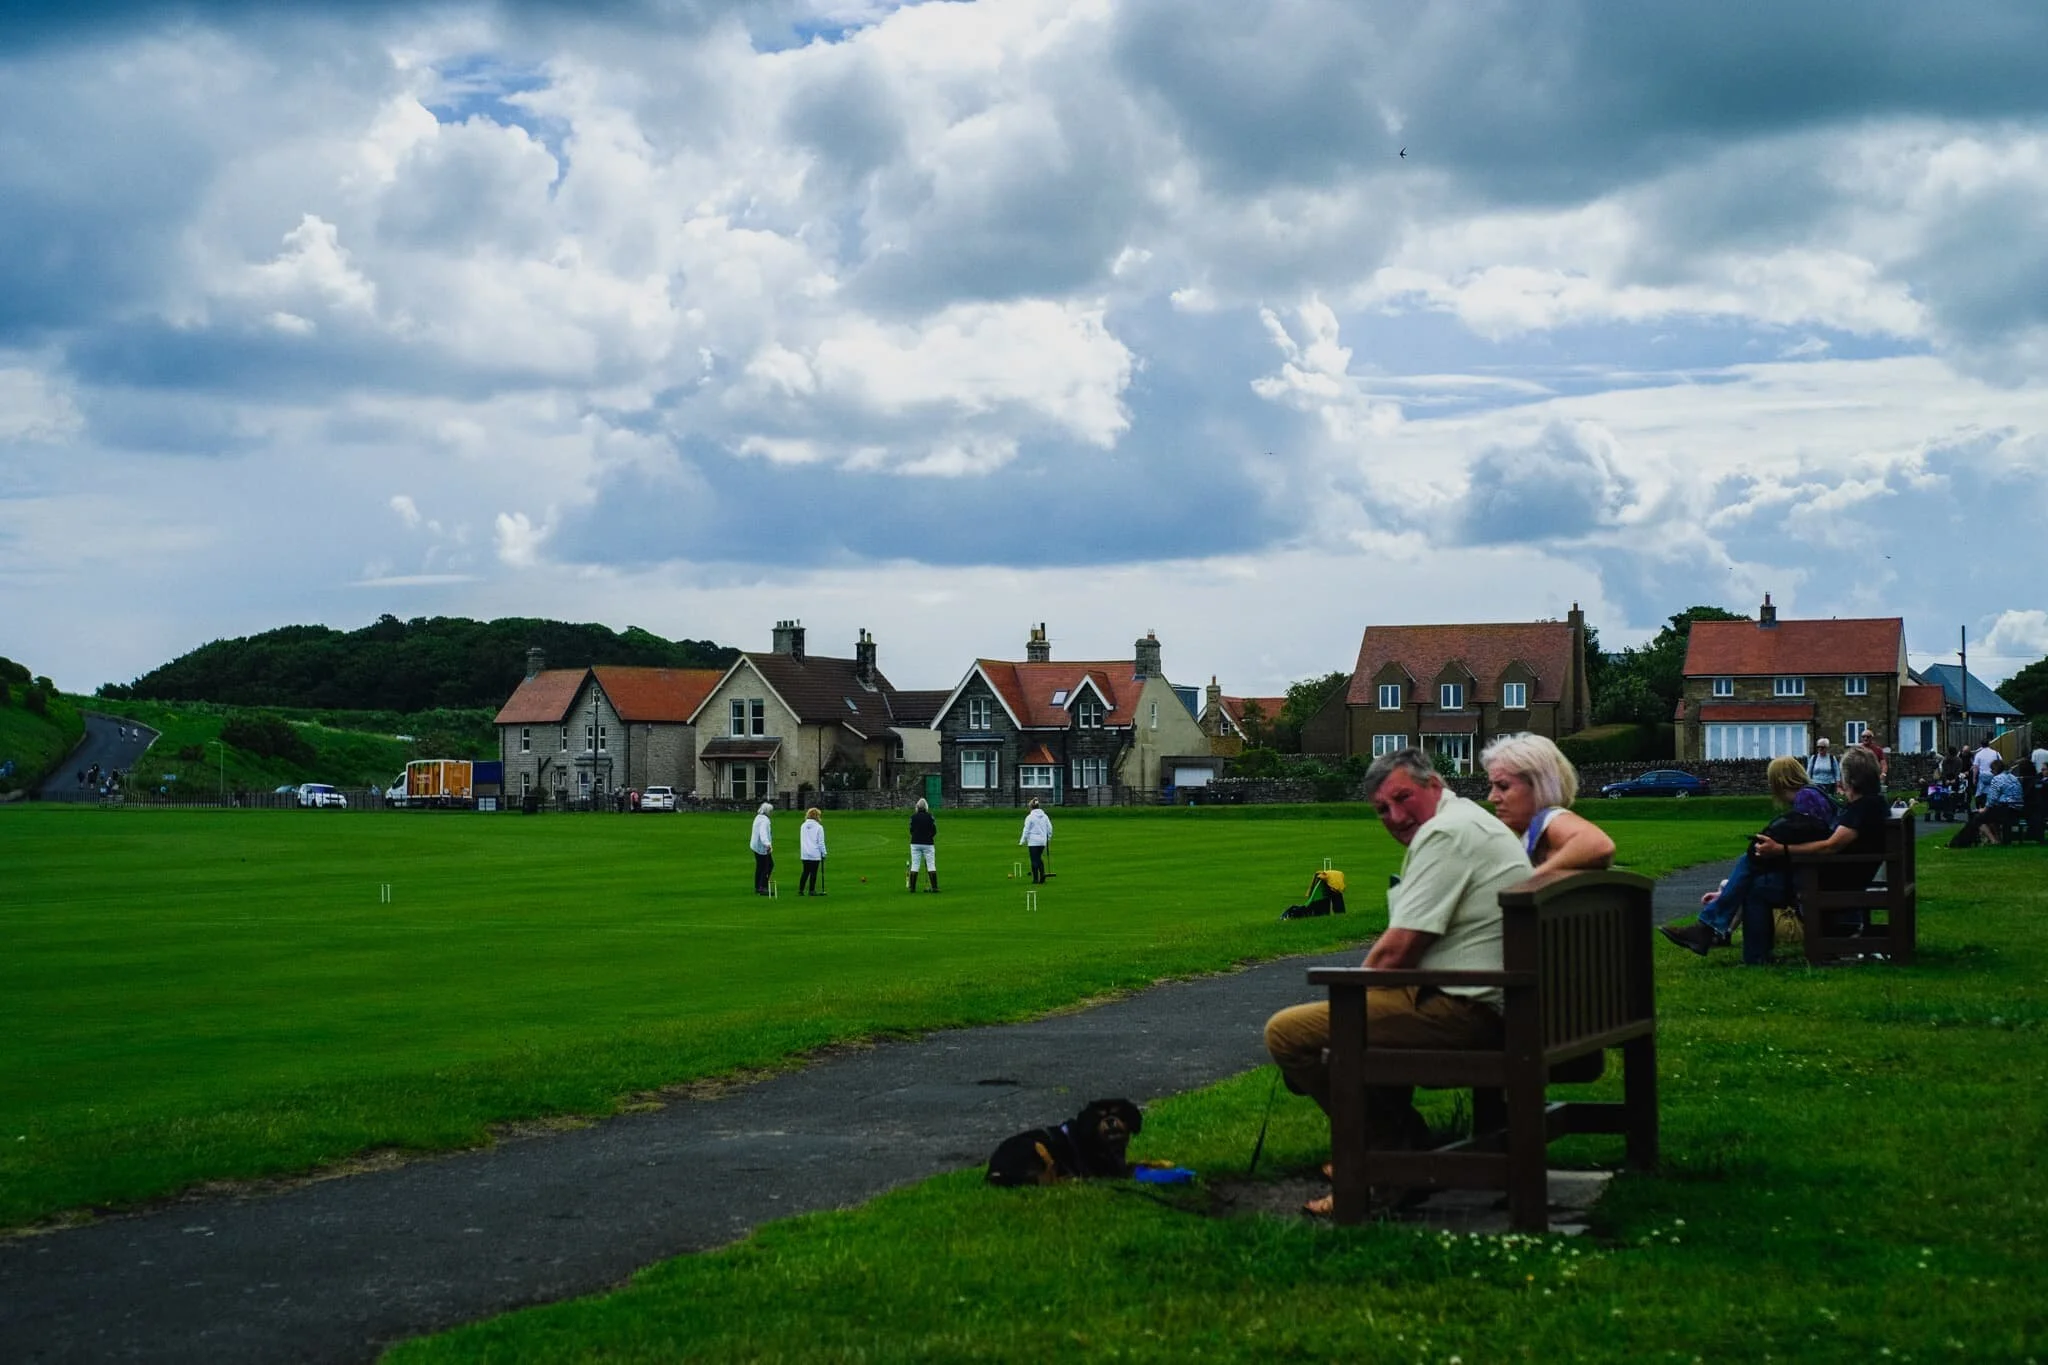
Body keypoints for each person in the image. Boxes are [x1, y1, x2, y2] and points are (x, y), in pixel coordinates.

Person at [1264, 747, 1531, 1216]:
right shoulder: (1465, 819)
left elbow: (1398, 948)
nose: (1395, 816)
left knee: (1288, 1034)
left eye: (1403, 797)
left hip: (1476, 1011)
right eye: (1381, 809)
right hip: (1501, 999)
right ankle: (1397, 1155)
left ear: (1434, 786)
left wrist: (1346, 1000)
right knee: (1344, 1026)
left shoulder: (1445, 834)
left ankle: (1394, 1163)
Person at [1660, 756, 1838, 963]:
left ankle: (1716, 934)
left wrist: (1776, 849)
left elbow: (1813, 837)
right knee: (1753, 871)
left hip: (1809, 874)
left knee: (1753, 872)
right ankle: (1719, 935)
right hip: (1809, 869)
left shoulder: (1806, 797)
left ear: (1779, 781)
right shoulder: (1813, 795)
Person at [1747, 746, 1890, 952]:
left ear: (1849, 780)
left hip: (1830, 880)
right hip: (1846, 875)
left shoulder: (1862, 810)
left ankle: (1754, 957)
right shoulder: (1872, 805)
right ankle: (1716, 922)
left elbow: (1830, 846)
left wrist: (1781, 849)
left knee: (1757, 888)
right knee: (1753, 875)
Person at [1479, 732, 1614, 875]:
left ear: (1539, 786)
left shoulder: (1550, 818)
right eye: (1492, 787)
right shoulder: (1535, 833)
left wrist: (1530, 881)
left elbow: (1597, 845)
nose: (1492, 797)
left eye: (1503, 786)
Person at [1952, 758, 2025, 847]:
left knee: (1977, 818)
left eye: (1992, 769)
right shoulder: (2013, 777)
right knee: (1990, 816)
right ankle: (1998, 838)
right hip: (2017, 809)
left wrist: (1984, 809)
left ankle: (1993, 840)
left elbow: (1992, 799)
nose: (1991, 772)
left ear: (1995, 769)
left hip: (2005, 809)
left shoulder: (1997, 779)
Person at [908, 797, 938, 892]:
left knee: (915, 865)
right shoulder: (930, 817)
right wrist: (929, 836)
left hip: (915, 843)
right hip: (928, 843)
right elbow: (934, 831)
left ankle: (912, 888)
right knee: (931, 864)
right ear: (926, 807)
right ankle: (934, 887)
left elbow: (911, 830)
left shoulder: (913, 817)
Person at [1019, 798, 1053, 883]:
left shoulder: (1030, 817)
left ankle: (1035, 879)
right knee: (1038, 858)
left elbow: (1026, 829)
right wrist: (1048, 837)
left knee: (1034, 860)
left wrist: (1022, 841)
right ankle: (1042, 876)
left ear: (1031, 807)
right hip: (1042, 841)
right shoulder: (1045, 816)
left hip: (1033, 842)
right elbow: (1050, 828)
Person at [797, 807, 827, 895]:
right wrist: (824, 853)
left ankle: (801, 890)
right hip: (815, 853)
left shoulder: (803, 826)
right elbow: (821, 842)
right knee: (813, 872)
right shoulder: (819, 827)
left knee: (805, 871)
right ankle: (811, 890)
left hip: (805, 853)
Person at [749, 801, 775, 895]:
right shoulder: (765, 821)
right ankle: (762, 887)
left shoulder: (758, 817)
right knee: (768, 865)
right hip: (761, 847)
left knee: (760, 866)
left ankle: (757, 886)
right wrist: (767, 844)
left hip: (755, 845)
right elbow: (763, 833)